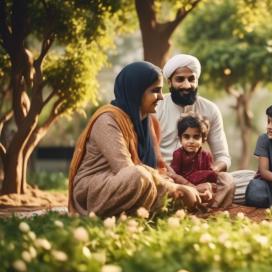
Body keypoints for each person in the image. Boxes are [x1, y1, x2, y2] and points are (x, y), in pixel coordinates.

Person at [68, 61, 201, 218]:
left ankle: (142, 211)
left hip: (134, 184)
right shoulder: (108, 120)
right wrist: (175, 189)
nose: (161, 97)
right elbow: (127, 170)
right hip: (95, 190)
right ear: (136, 92)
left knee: (173, 191)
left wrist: (184, 187)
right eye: (155, 91)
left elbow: (158, 167)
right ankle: (145, 209)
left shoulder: (148, 122)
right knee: (139, 177)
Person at [155, 54, 231, 173]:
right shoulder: (156, 107)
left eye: (191, 79)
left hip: (199, 174)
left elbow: (223, 157)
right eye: (180, 79)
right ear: (169, 82)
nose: (187, 85)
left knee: (228, 181)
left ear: (197, 80)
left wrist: (210, 171)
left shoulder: (210, 109)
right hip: (163, 175)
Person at [170, 113, 234, 209]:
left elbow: (210, 175)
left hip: (204, 187)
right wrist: (190, 186)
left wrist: (212, 185)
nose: (191, 141)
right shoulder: (178, 154)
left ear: (203, 139)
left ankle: (216, 205)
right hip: (186, 188)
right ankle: (202, 204)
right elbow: (174, 176)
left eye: (196, 137)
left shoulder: (206, 155)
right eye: (187, 137)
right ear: (180, 139)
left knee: (226, 177)